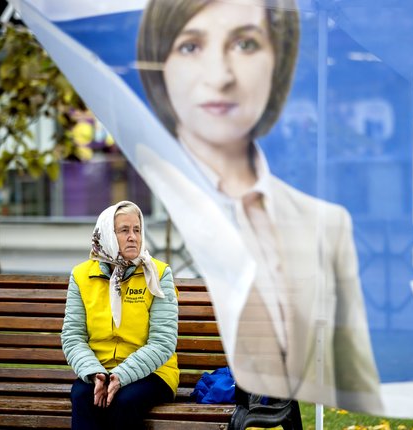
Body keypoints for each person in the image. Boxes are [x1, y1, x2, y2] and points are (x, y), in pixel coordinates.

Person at [137, 0, 382, 413]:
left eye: (245, 44)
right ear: (160, 68)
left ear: (277, 64)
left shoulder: (325, 222)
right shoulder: (153, 197)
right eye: (191, 46)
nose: (220, 76)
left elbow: (358, 386)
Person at [61, 200, 179, 429]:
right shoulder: (81, 275)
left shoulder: (159, 274)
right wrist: (94, 373)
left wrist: (121, 375)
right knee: (82, 397)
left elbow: (163, 342)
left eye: (137, 230)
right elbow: (72, 336)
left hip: (153, 373)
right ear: (106, 234)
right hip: (98, 369)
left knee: (124, 401)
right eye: (124, 230)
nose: (133, 236)